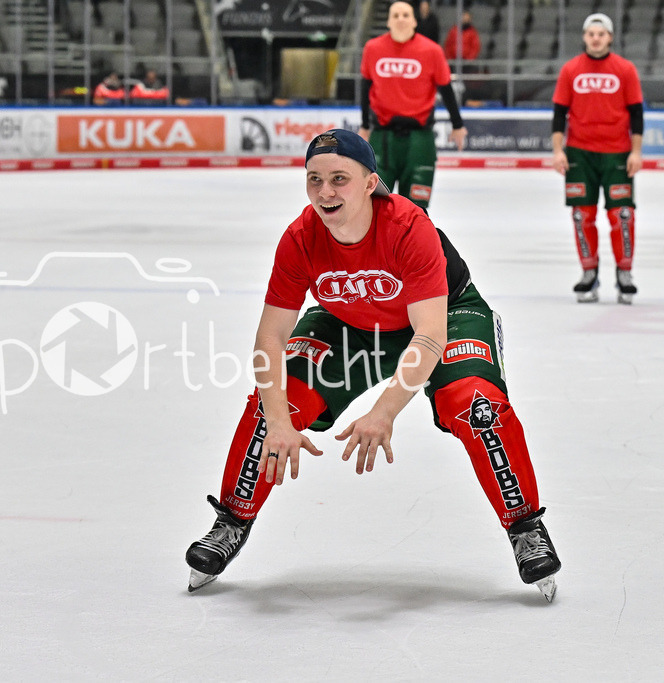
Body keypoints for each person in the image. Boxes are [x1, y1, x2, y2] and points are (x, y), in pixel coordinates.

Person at [185, 129, 562, 602]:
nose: (325, 192)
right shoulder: (300, 237)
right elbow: (270, 337)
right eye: (314, 179)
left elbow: (428, 335)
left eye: (339, 178)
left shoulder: (408, 226)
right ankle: (231, 523)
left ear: (370, 183)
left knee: (475, 405)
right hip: (347, 321)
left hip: (445, 315)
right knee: (272, 406)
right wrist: (280, 421)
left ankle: (525, 525)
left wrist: (384, 411)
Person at [551, 13, 643, 304]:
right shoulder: (571, 69)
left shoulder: (625, 69)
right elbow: (558, 113)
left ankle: (624, 273)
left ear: (610, 37)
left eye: (601, 34)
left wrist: (637, 151)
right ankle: (589, 272)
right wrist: (557, 150)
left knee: (622, 215)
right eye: (591, 33)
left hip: (617, 152)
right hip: (580, 153)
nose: (596, 38)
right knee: (581, 216)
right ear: (584, 36)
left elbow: (637, 113)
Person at [359, 1, 467, 210]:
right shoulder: (373, 49)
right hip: (383, 138)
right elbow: (365, 88)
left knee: (417, 208)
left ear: (415, 21)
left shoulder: (432, 51)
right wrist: (364, 125)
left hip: (420, 140)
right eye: (396, 15)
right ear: (388, 21)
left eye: (406, 15)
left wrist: (458, 125)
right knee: (374, 206)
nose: (401, 19)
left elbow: (446, 90)